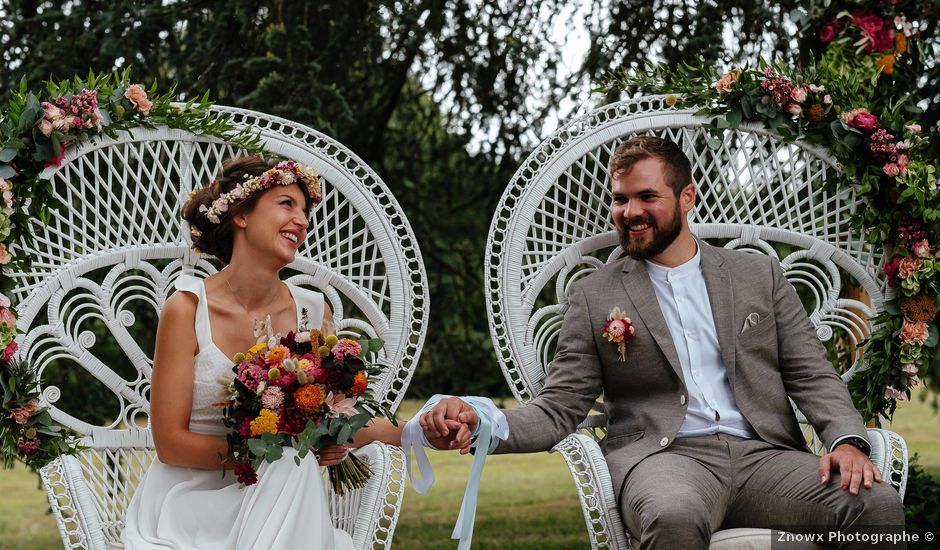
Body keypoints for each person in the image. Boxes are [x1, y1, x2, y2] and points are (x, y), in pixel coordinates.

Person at [422, 136, 906, 549]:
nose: (629, 212)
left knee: (876, 506)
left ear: (687, 197)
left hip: (766, 457)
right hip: (663, 461)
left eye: (646, 196)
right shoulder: (596, 295)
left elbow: (811, 372)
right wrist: (480, 420)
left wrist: (845, 440)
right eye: (619, 199)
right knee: (673, 515)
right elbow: (558, 407)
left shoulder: (756, 273)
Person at [123, 156, 463, 550]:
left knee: (287, 465)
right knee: (287, 461)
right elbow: (170, 444)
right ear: (241, 215)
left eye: (305, 212)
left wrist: (419, 432)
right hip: (192, 503)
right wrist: (273, 447)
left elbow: (343, 420)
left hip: (285, 501)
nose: (302, 221)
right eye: (287, 204)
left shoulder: (314, 312)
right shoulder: (186, 310)